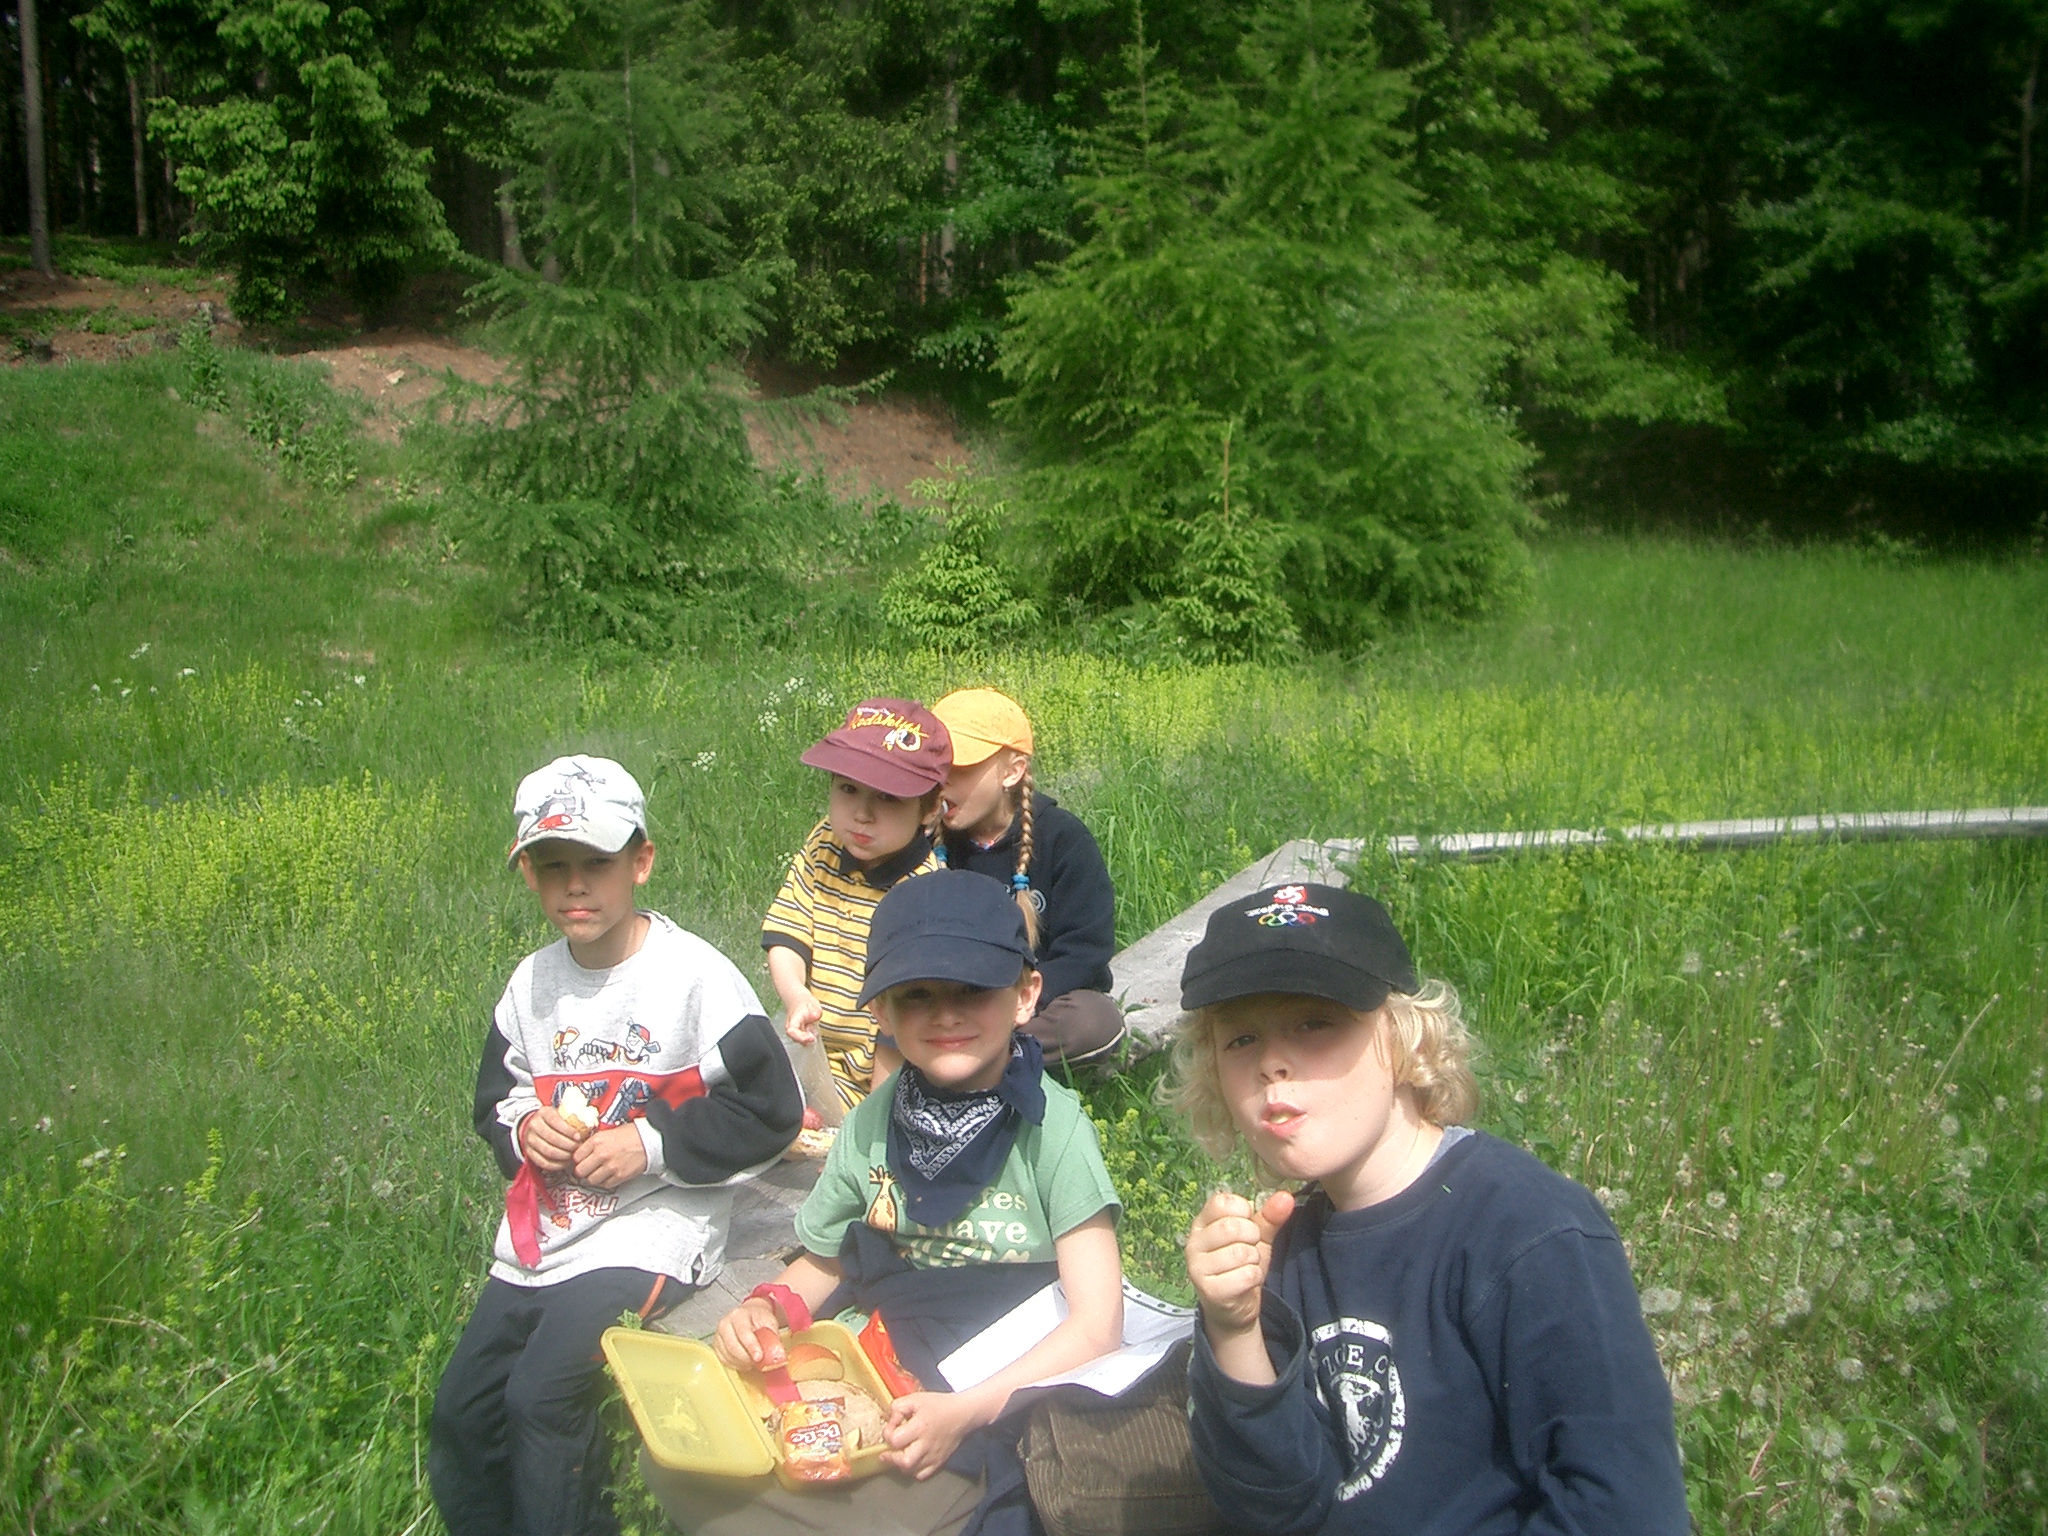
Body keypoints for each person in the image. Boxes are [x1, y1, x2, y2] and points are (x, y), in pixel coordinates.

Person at [1171, 883, 1690, 1535]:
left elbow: (1626, 1508)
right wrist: (1235, 1327)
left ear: (1403, 1036)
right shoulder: (1284, 1249)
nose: (1272, 1062)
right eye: (1240, 1039)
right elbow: (1276, 1507)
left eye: (1314, 1022)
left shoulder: (1529, 1233)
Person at [646, 869, 1126, 1536]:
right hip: (884, 1366)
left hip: (1005, 1390)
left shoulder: (1053, 1130)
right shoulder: (872, 1125)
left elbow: (1099, 1325)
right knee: (676, 1462)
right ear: (882, 1012)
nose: (947, 1014)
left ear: (1024, 996)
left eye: (973, 989)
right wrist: (764, 1308)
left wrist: (964, 1412)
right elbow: (828, 1259)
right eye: (918, 994)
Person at [430, 755, 805, 1536]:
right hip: (548, 1233)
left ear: (641, 862)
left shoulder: (693, 978)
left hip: (653, 1229)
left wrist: (650, 1144)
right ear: (528, 873)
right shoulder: (531, 985)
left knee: (542, 1395)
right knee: (463, 1410)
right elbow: (497, 1100)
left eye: (596, 864)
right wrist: (524, 1129)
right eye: (552, 866)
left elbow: (772, 1111)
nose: (575, 886)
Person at [913, 687, 1123, 1069]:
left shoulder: (1062, 838)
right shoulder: (924, 844)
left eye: (960, 769)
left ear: (1012, 771)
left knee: (1093, 1021)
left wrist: (1010, 1003)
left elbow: (1085, 952)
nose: (943, 783)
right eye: (936, 767)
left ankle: (969, 1060)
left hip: (1033, 1006)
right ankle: (987, 1060)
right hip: (950, 1005)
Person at [764, 697, 951, 1112]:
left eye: (888, 797)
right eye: (848, 789)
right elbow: (788, 933)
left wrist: (872, 1119)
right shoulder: (824, 845)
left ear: (929, 808)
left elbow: (904, 1023)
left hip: (878, 1075)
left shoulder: (923, 893)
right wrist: (796, 995)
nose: (862, 814)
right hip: (809, 1045)